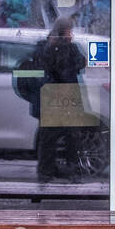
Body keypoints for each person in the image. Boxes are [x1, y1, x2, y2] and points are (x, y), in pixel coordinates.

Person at [33, 16, 87, 181]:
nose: (71, 34)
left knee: (72, 135)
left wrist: (67, 47)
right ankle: (47, 171)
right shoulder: (48, 46)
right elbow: (53, 66)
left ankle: (67, 169)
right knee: (50, 136)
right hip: (54, 96)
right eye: (69, 30)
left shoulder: (71, 47)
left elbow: (80, 63)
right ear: (62, 31)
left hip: (67, 96)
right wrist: (61, 46)